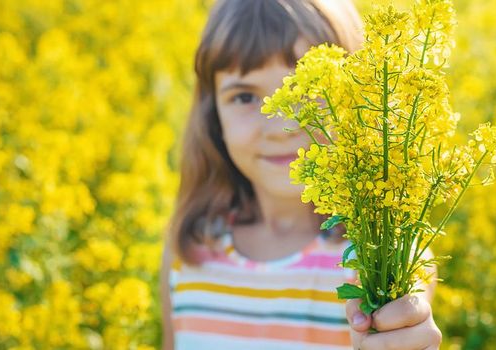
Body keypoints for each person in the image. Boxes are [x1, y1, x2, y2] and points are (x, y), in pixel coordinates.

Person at [159, 0, 442, 349]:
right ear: (212, 114)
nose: (283, 126)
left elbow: (405, 331)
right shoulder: (188, 249)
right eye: (245, 96)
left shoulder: (380, 259)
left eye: (312, 91)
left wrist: (403, 333)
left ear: (362, 95)